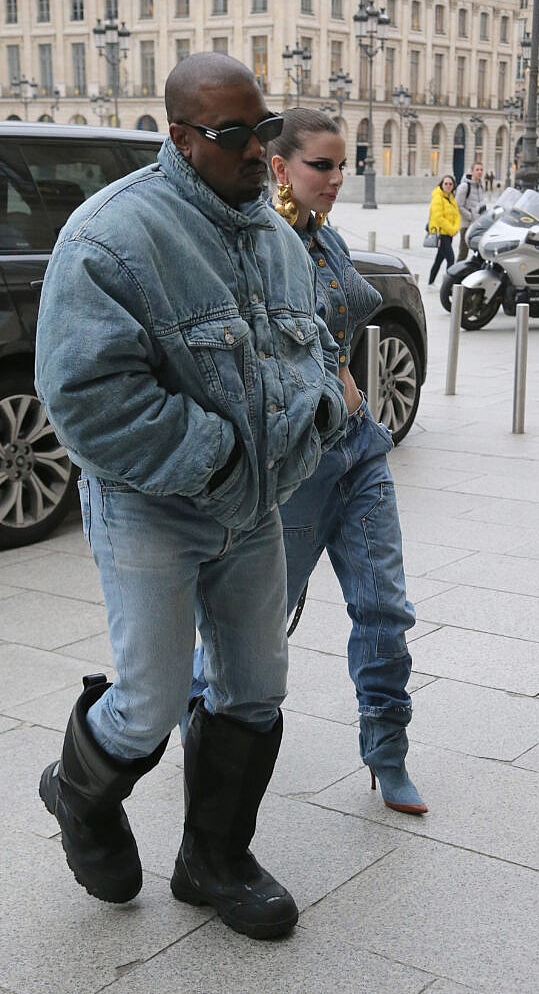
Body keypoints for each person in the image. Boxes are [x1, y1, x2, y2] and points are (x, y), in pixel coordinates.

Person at [34, 53, 347, 941]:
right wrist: (212, 461)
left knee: (254, 687)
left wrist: (317, 408)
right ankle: (79, 794)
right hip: (150, 507)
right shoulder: (110, 236)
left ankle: (214, 860)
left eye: (265, 129)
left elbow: (312, 345)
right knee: (150, 698)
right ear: (179, 136)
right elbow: (88, 398)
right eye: (234, 134)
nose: (259, 151)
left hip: (252, 508)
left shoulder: (273, 234)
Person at [186, 108, 427, 815]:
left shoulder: (328, 240)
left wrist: (352, 388)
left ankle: (387, 753)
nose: (335, 177)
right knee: (257, 625)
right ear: (281, 166)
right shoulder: (255, 245)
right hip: (296, 463)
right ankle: (197, 725)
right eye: (321, 165)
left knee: (384, 608)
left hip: (358, 452)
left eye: (342, 164)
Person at [426, 174, 460, 285]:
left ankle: (430, 281)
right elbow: (438, 217)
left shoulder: (451, 198)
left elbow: (457, 215)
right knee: (451, 259)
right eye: (446, 183)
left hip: (448, 234)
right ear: (441, 184)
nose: (448, 186)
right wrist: (452, 229)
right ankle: (449, 284)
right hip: (441, 234)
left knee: (439, 259)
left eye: (450, 184)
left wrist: (455, 228)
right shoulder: (438, 197)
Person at [455, 161, 486, 260]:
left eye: (481, 170)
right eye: (477, 170)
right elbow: (458, 205)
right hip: (466, 225)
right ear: (472, 172)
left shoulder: (481, 186)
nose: (479, 172)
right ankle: (457, 274)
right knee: (463, 253)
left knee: (480, 252)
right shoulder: (464, 186)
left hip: (478, 225)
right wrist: (471, 216)